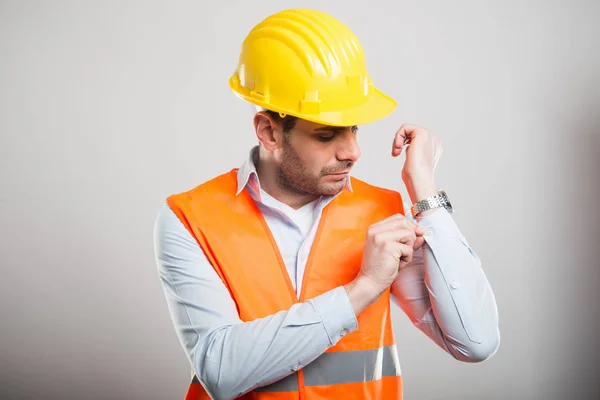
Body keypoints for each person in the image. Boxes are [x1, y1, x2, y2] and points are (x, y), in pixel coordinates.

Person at [153, 8, 500, 400]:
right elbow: (220, 372)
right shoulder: (190, 219)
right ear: (269, 131)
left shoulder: (380, 211)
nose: (353, 151)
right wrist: (364, 287)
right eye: (326, 135)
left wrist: (425, 192)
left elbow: (475, 342)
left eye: (353, 128)